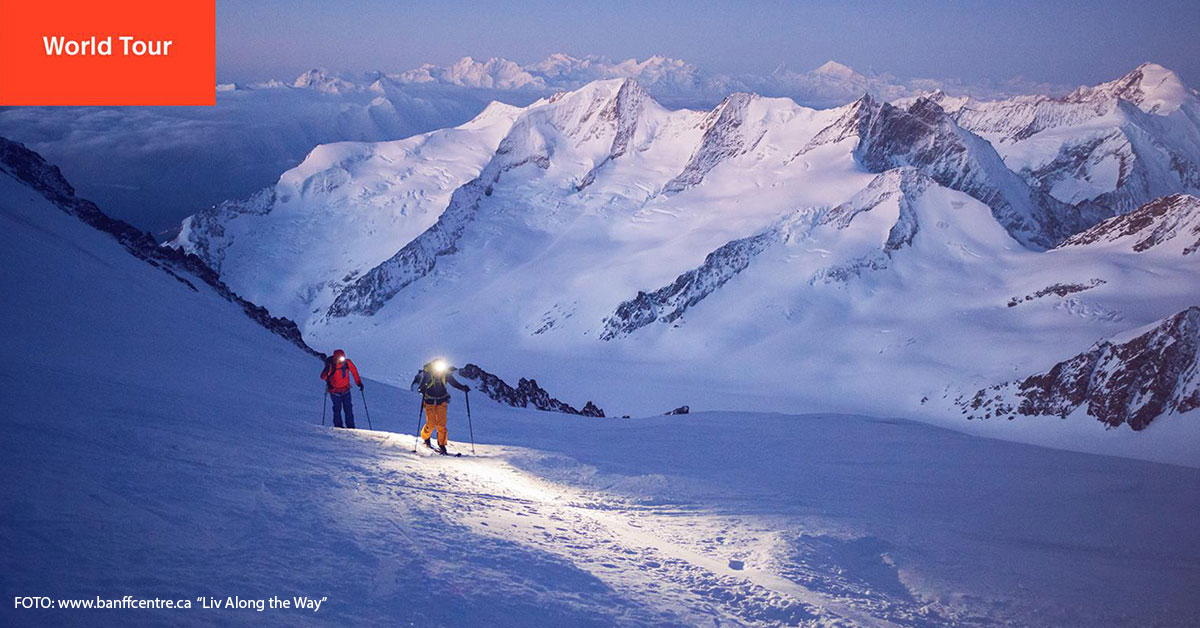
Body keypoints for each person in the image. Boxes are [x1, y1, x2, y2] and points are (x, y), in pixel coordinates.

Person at [416, 358, 470, 454]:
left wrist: (463, 388)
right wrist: (422, 389)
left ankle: (442, 444)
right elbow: (422, 384)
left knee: (441, 424)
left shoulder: (445, 373)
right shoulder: (428, 373)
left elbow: (453, 382)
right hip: (429, 401)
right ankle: (425, 437)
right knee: (431, 423)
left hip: (442, 401)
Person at [321, 349, 363, 429]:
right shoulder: (331, 365)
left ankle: (350, 428)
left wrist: (359, 383)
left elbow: (354, 372)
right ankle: (339, 427)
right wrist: (327, 370)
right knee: (338, 410)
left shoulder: (347, 363)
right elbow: (323, 377)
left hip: (345, 390)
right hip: (335, 391)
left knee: (348, 410)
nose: (342, 359)